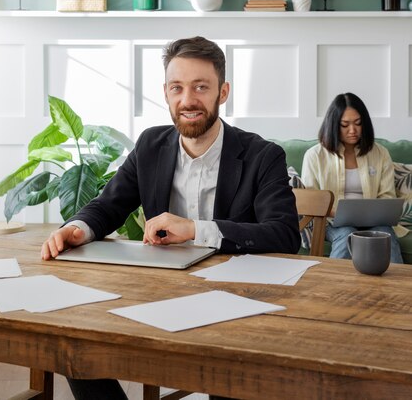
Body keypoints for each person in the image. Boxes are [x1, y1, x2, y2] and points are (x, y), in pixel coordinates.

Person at [42, 35, 301, 400]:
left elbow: (284, 235)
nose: (187, 100)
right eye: (177, 88)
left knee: (232, 378)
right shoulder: (150, 145)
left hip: (234, 306)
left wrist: (195, 229)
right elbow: (109, 204)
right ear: (165, 92)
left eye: (200, 87)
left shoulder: (263, 155)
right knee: (75, 347)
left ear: (222, 92)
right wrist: (77, 228)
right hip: (158, 297)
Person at [301, 92, 403, 263]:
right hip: (332, 222)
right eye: (345, 125)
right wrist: (339, 213)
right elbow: (312, 202)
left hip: (375, 221)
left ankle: (401, 290)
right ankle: (331, 289)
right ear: (334, 125)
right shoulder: (314, 156)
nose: (353, 130)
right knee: (346, 234)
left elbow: (387, 196)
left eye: (358, 123)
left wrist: (371, 213)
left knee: (386, 236)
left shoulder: (380, 153)